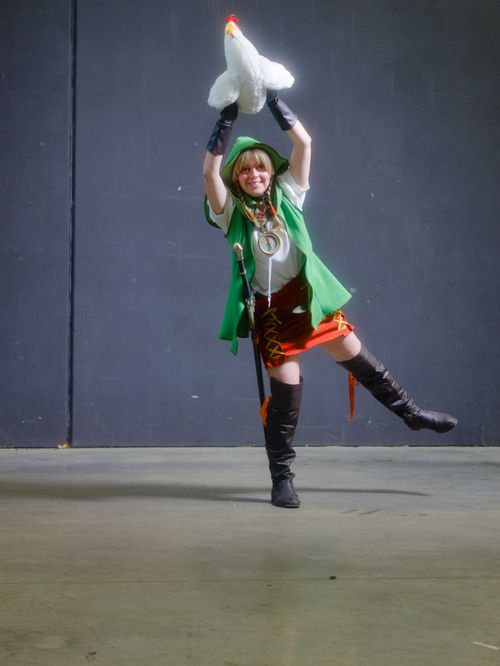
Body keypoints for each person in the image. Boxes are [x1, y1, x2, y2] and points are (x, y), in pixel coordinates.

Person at [202, 93, 457, 509]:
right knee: (284, 398)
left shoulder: (288, 194)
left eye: (260, 167)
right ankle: (281, 478)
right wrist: (226, 120)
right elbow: (209, 172)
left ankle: (411, 414)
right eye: (245, 170)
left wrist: (272, 99)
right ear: (238, 177)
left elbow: (304, 144)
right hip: (270, 314)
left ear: (270, 171)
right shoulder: (229, 212)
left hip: (308, 301)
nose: (254, 175)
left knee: (363, 360)